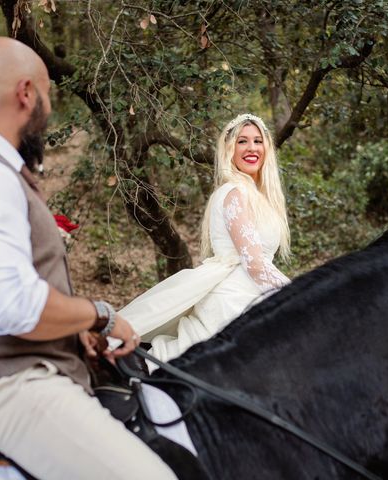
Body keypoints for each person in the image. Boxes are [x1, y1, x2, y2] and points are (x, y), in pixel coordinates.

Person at [0, 37, 178, 480]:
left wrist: (74, 333)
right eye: (47, 95)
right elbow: (14, 308)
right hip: (0, 381)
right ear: (25, 93)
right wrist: (100, 316)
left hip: (13, 365)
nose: (48, 109)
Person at [118, 113, 291, 370]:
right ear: (229, 149)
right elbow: (254, 263)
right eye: (242, 141)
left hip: (252, 289)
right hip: (233, 296)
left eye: (257, 141)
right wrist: (296, 291)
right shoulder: (235, 192)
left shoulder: (261, 197)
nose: (252, 148)